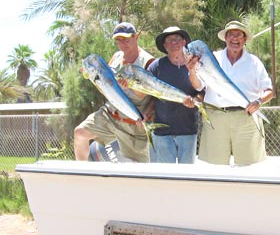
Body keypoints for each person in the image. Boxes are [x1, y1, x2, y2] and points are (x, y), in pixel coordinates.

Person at [187, 20, 273, 165]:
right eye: (230, 35)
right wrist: (191, 70)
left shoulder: (254, 62)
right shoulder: (212, 57)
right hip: (216, 118)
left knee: (249, 167)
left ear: (245, 39)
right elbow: (198, 86)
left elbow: (269, 91)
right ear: (225, 38)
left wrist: (258, 102)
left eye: (239, 35)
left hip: (246, 118)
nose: (234, 38)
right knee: (215, 168)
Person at [73, 22, 155, 163]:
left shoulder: (148, 62)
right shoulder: (116, 56)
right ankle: (84, 178)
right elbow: (106, 89)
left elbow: (151, 95)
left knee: (143, 169)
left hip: (133, 125)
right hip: (110, 115)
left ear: (137, 37)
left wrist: (130, 85)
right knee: (80, 133)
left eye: (126, 39)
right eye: (118, 40)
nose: (122, 44)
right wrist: (93, 78)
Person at [147, 26, 200, 164]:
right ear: (164, 45)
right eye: (169, 40)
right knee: (165, 178)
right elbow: (149, 97)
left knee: (186, 178)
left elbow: (203, 93)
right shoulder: (155, 66)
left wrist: (194, 101)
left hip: (188, 131)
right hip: (162, 133)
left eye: (177, 39)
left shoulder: (195, 65)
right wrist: (145, 115)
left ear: (184, 42)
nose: (174, 42)